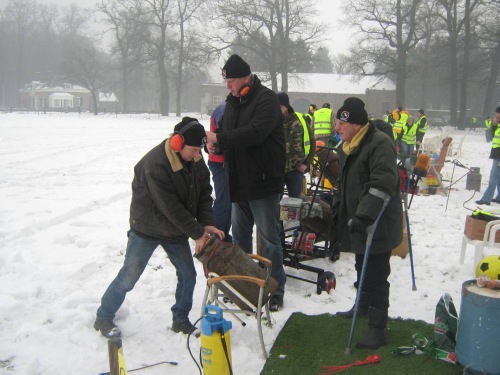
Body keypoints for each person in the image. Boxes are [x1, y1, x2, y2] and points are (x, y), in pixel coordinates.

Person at [94, 117, 224, 338]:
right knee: (129, 276)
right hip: (147, 229)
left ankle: (180, 320)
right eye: (193, 150)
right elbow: (170, 207)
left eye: (198, 150)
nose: (197, 155)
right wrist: (197, 233)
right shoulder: (155, 164)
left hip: (176, 230)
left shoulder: (195, 159)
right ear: (176, 143)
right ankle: (103, 317)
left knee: (188, 274)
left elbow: (203, 193)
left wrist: (206, 222)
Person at [205, 54, 287, 311]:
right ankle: (245, 285)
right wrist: (211, 144)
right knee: (240, 239)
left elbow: (255, 133)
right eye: (226, 81)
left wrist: (220, 138)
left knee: (268, 239)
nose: (227, 86)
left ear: (245, 77)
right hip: (238, 184)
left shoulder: (266, 100)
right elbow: (228, 138)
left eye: (230, 80)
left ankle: (276, 289)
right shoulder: (231, 103)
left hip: (262, 184)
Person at [333, 97, 403, 350]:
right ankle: (361, 306)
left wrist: (364, 216)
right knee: (362, 264)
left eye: (341, 123)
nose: (337, 128)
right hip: (359, 220)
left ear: (355, 124)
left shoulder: (379, 144)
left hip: (378, 222)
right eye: (337, 122)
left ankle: (377, 328)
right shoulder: (349, 146)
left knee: (376, 273)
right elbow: (348, 183)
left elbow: (381, 184)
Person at [277, 92, 316, 198]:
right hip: (277, 170)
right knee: (275, 203)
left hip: (296, 170)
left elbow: (311, 142)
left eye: (280, 106)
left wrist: (306, 163)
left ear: (286, 106)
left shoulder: (300, 119)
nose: (277, 109)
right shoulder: (272, 120)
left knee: (296, 203)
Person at [208, 102, 232, 242]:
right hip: (220, 161)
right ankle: (216, 235)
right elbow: (224, 135)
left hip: (222, 160)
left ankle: (223, 233)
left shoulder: (225, 108)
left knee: (228, 200)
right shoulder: (225, 110)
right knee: (224, 200)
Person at [476, 107, 500, 205]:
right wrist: (494, 125)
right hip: (496, 153)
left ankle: (486, 199)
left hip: (499, 154)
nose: (496, 115)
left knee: (493, 177)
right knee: (498, 178)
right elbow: (492, 137)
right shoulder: (498, 125)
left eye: (497, 113)